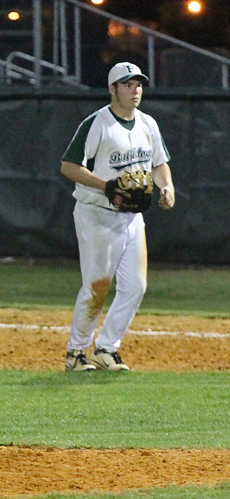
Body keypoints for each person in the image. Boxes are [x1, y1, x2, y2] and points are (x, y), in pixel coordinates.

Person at [60, 62, 175, 372]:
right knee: (97, 287)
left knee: (135, 286)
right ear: (112, 89)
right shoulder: (97, 123)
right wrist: (107, 186)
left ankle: (107, 349)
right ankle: (76, 353)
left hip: (132, 217)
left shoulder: (147, 123)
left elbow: (159, 163)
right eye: (127, 85)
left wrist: (167, 187)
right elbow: (69, 167)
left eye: (138, 84)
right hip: (97, 213)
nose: (135, 90)